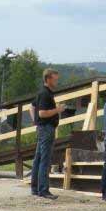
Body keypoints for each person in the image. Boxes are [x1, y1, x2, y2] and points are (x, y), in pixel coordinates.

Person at [29, 68, 67, 200]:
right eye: (55, 79)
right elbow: (42, 113)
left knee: (38, 159)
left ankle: (35, 188)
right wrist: (58, 109)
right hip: (46, 129)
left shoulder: (42, 93)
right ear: (48, 79)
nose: (57, 81)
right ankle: (43, 190)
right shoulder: (46, 94)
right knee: (45, 159)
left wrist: (35, 122)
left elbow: (32, 107)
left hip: (42, 128)